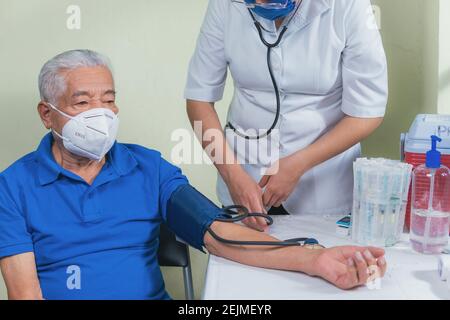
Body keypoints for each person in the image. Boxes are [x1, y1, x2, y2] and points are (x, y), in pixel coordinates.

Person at [0, 50, 386, 300]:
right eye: (83, 102)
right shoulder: (12, 188)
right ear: (47, 114)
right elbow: (24, 293)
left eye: (109, 99)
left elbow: (217, 234)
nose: (101, 112)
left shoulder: (147, 168)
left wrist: (315, 259)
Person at [185, 0, 388, 231]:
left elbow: (367, 112)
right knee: (242, 265)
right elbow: (198, 100)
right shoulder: (225, 5)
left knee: (323, 262)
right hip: (245, 186)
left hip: (323, 191)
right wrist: (233, 176)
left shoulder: (348, 6)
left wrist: (298, 164)